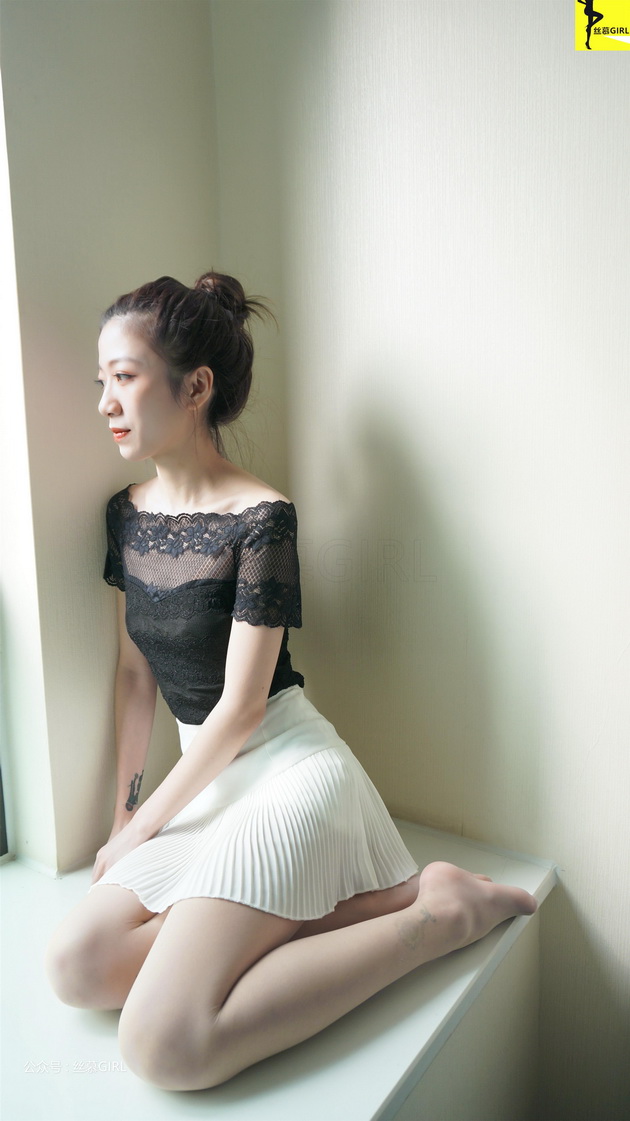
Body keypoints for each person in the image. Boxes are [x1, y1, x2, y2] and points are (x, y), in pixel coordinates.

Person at [45, 271, 537, 1091]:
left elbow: (242, 707)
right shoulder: (124, 514)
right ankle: (364, 904)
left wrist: (142, 829)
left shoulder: (263, 517)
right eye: (103, 379)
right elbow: (135, 675)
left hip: (288, 772)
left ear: (195, 387)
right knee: (76, 965)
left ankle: (437, 915)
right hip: (207, 786)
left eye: (124, 377)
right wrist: (126, 809)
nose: (105, 401)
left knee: (164, 1045)